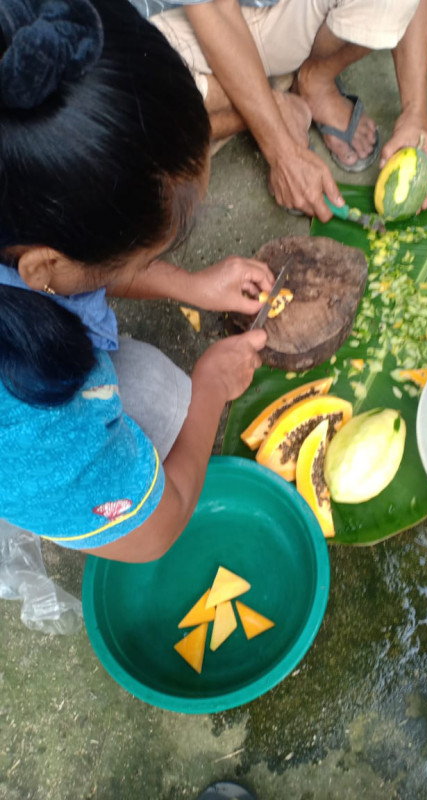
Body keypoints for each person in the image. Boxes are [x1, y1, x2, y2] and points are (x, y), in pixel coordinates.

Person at [0, 0, 272, 563]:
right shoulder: (31, 422)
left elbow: (84, 265)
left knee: (149, 387)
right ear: (44, 267)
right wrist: (211, 388)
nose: (137, 268)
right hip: (21, 443)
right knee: (166, 398)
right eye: (135, 258)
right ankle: (45, 507)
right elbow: (156, 532)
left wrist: (189, 285)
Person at [131, 0, 427, 222]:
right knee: (127, 122)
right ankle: (274, 104)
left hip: (282, 12)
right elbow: (216, 9)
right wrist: (281, 151)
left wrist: (415, 114)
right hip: (175, 27)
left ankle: (316, 79)